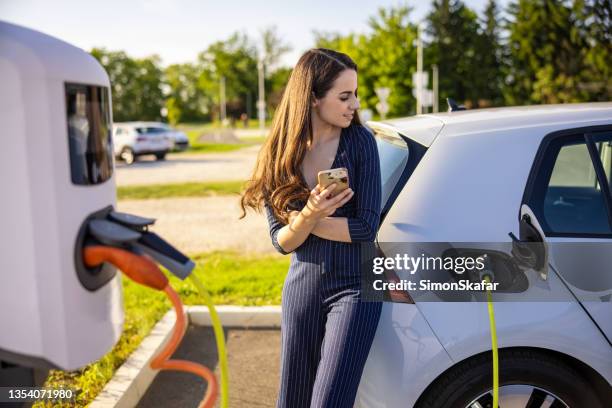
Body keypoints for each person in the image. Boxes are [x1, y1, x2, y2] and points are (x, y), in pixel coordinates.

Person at [240, 48, 382, 408]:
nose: (355, 104)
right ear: (314, 97)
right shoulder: (278, 154)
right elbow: (283, 242)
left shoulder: (360, 142)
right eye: (345, 96)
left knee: (329, 402)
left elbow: (365, 228)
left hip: (356, 287)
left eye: (355, 94)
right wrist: (310, 215)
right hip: (303, 286)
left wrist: (306, 219)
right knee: (292, 401)